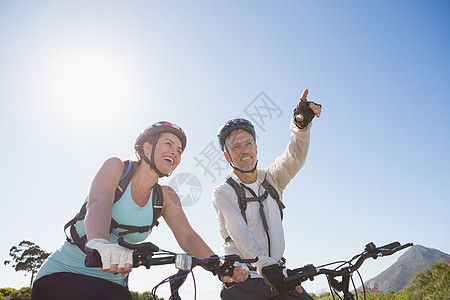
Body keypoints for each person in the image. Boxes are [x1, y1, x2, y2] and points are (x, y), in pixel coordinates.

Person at [32, 121, 248, 300]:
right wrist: (99, 242)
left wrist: (219, 266)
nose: (175, 152)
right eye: (169, 144)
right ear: (147, 147)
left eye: (179, 150)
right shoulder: (117, 168)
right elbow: (99, 202)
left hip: (112, 284)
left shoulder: (165, 196)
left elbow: (188, 236)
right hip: (63, 273)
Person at [213, 89, 322, 299]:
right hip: (244, 281)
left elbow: (295, 157)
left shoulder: (272, 180)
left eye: (248, 144)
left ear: (256, 146)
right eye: (236, 147)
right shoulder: (223, 192)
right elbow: (239, 233)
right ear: (227, 156)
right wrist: (265, 265)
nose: (244, 150)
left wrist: (301, 126)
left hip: (279, 275)